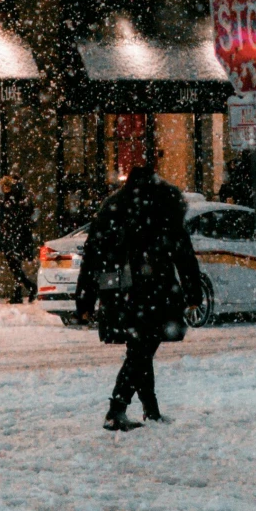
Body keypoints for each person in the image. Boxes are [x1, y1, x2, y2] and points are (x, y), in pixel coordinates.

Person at [74, 157, 205, 430]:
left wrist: (85, 298)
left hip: (120, 292)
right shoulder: (163, 207)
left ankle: (151, 410)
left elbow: (92, 256)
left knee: (140, 348)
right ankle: (116, 409)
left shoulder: (113, 208)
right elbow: (183, 253)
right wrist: (193, 292)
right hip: (155, 291)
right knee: (142, 351)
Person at [0, 173, 38, 302]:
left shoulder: (12, 200)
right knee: (15, 265)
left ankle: (26, 289)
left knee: (14, 265)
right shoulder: (18, 199)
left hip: (14, 236)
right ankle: (23, 289)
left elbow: (6, 217)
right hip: (15, 236)